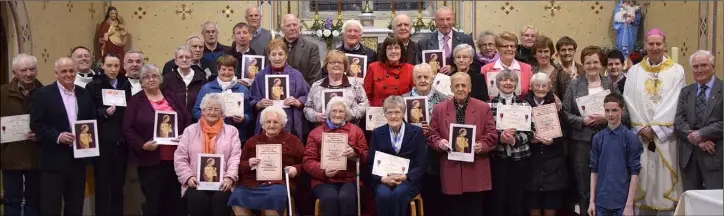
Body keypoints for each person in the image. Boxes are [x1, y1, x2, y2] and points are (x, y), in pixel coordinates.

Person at [623, 29, 685, 213]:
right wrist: (642, 127)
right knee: (642, 178)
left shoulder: (677, 70)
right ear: (645, 47)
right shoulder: (634, 72)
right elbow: (628, 99)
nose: (655, 47)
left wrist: (657, 129)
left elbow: (676, 100)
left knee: (664, 181)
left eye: (658, 44)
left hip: (666, 137)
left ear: (664, 45)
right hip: (641, 136)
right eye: (651, 44)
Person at [29, 57, 96, 215]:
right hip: (53, 160)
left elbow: (91, 121)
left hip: (78, 161)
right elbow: (36, 124)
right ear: (56, 73)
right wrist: (58, 136)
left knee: (75, 206)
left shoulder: (84, 93)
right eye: (64, 71)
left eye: (71, 70)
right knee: (51, 207)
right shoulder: (43, 94)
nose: (68, 74)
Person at [123, 64, 191, 216]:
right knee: (154, 202)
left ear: (160, 78)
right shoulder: (135, 101)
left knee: (177, 202)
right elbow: (127, 129)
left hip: (176, 159)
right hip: (150, 160)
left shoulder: (171, 96)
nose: (151, 79)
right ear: (141, 81)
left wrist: (184, 136)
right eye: (146, 77)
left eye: (154, 76)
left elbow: (187, 118)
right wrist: (142, 145)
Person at [427, 72, 498, 216]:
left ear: (470, 88)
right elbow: (431, 134)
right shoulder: (439, 109)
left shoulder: (483, 108)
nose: (460, 89)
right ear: (451, 88)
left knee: (475, 210)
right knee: (453, 210)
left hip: (475, 168)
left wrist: (482, 146)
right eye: (457, 85)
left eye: (464, 85)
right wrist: (439, 142)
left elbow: (491, 134)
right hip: (451, 169)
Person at [563, 46, 620, 216]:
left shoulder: (609, 83)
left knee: (606, 181)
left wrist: (606, 118)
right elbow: (565, 113)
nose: (592, 65)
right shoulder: (574, 85)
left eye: (596, 62)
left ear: (601, 64)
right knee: (583, 184)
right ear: (583, 64)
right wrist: (583, 120)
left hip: (606, 139)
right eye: (588, 62)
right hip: (581, 142)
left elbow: (622, 111)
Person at [228, 106, 305, 216]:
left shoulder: (293, 141)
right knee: (237, 196)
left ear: (282, 124)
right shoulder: (252, 141)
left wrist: (295, 169)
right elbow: (239, 165)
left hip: (279, 181)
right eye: (268, 122)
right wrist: (248, 164)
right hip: (252, 182)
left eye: (275, 122)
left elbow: (305, 163)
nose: (271, 125)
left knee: (273, 197)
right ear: (262, 124)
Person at [175, 94, 242, 216]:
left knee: (220, 201)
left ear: (222, 112)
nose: (212, 112)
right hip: (196, 182)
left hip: (222, 182)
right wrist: (188, 177)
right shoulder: (190, 131)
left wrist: (229, 177)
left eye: (216, 109)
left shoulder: (232, 131)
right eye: (209, 109)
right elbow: (180, 158)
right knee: (198, 200)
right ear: (203, 111)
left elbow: (235, 157)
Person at [303, 97, 369, 216]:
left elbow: (366, 156)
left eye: (341, 111)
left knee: (346, 198)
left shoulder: (356, 131)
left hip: (350, 179)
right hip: (323, 180)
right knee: (329, 198)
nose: (337, 114)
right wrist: (323, 171)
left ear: (346, 114)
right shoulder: (315, 133)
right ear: (328, 112)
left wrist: (355, 153)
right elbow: (308, 161)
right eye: (334, 111)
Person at [85, 53, 130, 216]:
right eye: (109, 66)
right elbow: (87, 112)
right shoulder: (94, 85)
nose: (113, 69)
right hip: (102, 143)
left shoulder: (125, 84)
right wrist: (103, 112)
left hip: (121, 143)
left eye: (116, 66)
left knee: (118, 186)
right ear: (102, 66)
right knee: (103, 186)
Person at [400, 63, 447, 216]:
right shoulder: (403, 100)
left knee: (434, 196)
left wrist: (432, 131)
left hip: (435, 155)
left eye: (426, 77)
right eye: (419, 77)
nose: (423, 80)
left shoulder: (444, 100)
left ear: (433, 78)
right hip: (410, 154)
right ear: (413, 79)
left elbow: (447, 127)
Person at [367, 96, 427, 216]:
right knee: (383, 195)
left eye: (397, 112)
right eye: (389, 113)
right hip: (384, 179)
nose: (393, 116)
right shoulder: (378, 133)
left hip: (408, 180)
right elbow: (371, 163)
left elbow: (421, 164)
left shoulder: (416, 132)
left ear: (404, 113)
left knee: (398, 194)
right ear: (384, 114)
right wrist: (382, 179)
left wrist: (405, 177)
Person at [675, 50, 723, 191]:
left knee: (715, 203)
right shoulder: (686, 92)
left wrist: (703, 133)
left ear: (713, 67)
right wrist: (698, 140)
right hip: (689, 156)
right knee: (692, 201)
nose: (699, 70)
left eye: (704, 65)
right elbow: (679, 120)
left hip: (715, 154)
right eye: (696, 66)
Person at [588, 93, 642, 216]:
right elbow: (594, 171)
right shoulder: (598, 138)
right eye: (607, 110)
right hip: (601, 201)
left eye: (614, 110)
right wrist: (592, 201)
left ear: (621, 111)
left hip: (622, 202)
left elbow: (635, 172)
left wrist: (629, 205)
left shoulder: (631, 138)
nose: (610, 114)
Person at [1, 54, 42, 216]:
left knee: (34, 201)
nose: (28, 73)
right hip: (10, 155)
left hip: (36, 156)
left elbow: (52, 122)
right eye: (23, 70)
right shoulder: (3, 93)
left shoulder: (45, 92)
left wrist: (40, 135)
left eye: (32, 69)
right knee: (11, 201)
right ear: (14, 72)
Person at [488, 69, 533, 216]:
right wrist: (500, 136)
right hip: (498, 157)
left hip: (520, 158)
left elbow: (530, 131)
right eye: (504, 80)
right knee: (498, 198)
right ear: (497, 83)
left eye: (511, 80)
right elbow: (486, 130)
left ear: (516, 83)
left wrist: (514, 140)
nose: (508, 83)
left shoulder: (525, 104)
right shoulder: (489, 105)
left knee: (517, 197)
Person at [524, 73, 568, 216]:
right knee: (532, 199)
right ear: (531, 87)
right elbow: (518, 128)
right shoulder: (522, 104)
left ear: (550, 87)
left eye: (544, 86)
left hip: (553, 159)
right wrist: (529, 138)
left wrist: (553, 139)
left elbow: (565, 130)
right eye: (537, 85)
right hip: (531, 159)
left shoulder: (557, 105)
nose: (541, 89)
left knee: (551, 199)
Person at [250, 39, 310, 139]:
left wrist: (297, 102)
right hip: (267, 122)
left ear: (286, 55)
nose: (277, 58)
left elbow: (307, 96)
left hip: (290, 122)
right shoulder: (260, 76)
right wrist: (258, 104)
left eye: (280, 54)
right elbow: (252, 99)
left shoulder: (296, 75)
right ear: (268, 56)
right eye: (273, 54)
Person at [193, 55, 253, 145]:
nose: (226, 73)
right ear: (218, 70)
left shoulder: (243, 89)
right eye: (223, 69)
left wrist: (244, 119)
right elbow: (196, 111)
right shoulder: (207, 88)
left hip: (236, 137)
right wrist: (210, 117)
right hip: (210, 136)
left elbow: (250, 114)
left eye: (230, 70)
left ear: (234, 71)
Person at [304, 50, 369, 125]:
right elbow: (307, 108)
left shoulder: (355, 84)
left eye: (340, 62)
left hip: (349, 130)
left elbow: (365, 104)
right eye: (332, 62)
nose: (336, 65)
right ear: (326, 66)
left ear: (344, 66)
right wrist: (315, 116)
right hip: (323, 130)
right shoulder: (316, 86)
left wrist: (349, 114)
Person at [416, 7, 477, 74]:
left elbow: (475, 64)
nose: (445, 23)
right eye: (441, 20)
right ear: (436, 22)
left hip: (460, 81)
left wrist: (455, 68)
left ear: (453, 20)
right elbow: (419, 67)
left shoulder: (466, 39)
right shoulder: (424, 43)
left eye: (448, 19)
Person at [481, 31, 534, 99]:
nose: (509, 49)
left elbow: (530, 94)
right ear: (498, 48)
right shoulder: (485, 69)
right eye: (505, 46)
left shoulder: (527, 69)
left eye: (512, 46)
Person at [364, 37, 414, 106]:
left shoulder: (411, 69)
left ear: (401, 51)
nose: (393, 51)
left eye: (396, 48)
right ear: (385, 51)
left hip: (401, 111)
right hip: (378, 111)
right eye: (390, 48)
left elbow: (414, 95)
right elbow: (366, 95)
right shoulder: (373, 68)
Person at [163, 46, 209, 120]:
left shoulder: (201, 78)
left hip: (196, 122)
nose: (184, 60)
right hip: (175, 121)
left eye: (187, 57)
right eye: (181, 57)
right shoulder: (167, 79)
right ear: (176, 61)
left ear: (192, 60)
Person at [281, 14, 321, 85]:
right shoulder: (275, 47)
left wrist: (303, 94)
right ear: (282, 29)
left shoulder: (311, 48)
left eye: (295, 25)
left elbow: (315, 78)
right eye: (288, 25)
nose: (292, 28)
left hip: (304, 93)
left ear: (299, 27)